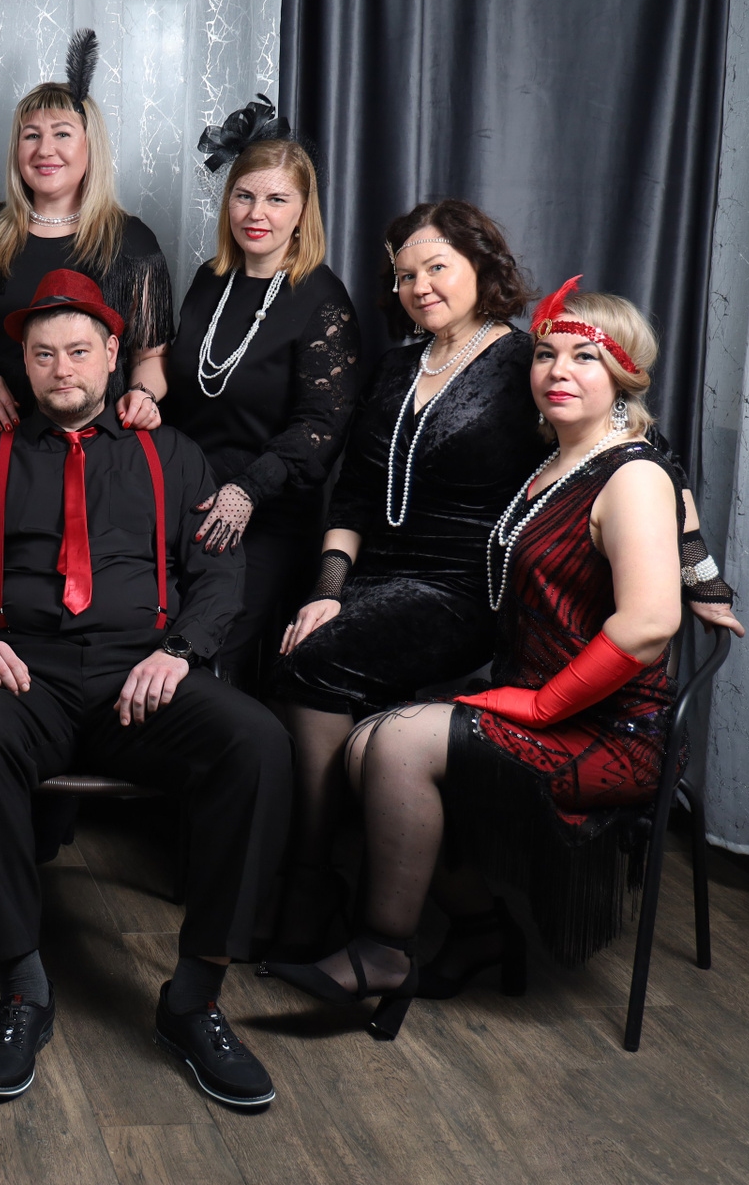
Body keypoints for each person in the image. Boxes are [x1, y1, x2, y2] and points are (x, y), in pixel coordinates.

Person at [0, 269, 290, 1108]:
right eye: (43, 354)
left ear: (114, 354)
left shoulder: (172, 453)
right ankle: (22, 989)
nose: (62, 369)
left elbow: (219, 574)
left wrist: (181, 652)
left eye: (79, 351)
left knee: (258, 742)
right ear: (23, 363)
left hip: (141, 673)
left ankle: (194, 998)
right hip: (22, 671)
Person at [267, 281, 683, 1037]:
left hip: (606, 729)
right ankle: (481, 930)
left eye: (585, 358)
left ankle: (383, 952)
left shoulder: (634, 475)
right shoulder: (556, 462)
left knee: (395, 743)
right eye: (546, 354)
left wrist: (546, 703)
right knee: (363, 747)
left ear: (625, 376)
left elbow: (651, 623)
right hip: (537, 699)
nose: (558, 371)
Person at [268, 200, 544, 961]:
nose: (420, 287)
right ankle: (477, 923)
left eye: (437, 268)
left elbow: (634, 446)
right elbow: (354, 496)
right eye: (404, 276)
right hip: (375, 580)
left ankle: (311, 877)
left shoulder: (527, 361)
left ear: (482, 266)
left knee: (312, 663)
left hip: (464, 590)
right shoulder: (396, 367)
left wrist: (697, 568)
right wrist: (327, 591)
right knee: (294, 642)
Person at [158, 99, 361, 687]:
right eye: (244, 196)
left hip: (263, 512)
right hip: (185, 498)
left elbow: (322, 426)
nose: (256, 214)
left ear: (302, 212)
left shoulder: (321, 298)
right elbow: (185, 387)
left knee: (204, 667)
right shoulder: (209, 280)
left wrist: (247, 491)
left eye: (277, 199)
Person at [0, 30, 173, 434]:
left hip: (95, 445)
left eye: (62, 134)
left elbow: (150, 357)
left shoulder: (133, 243)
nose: (44, 150)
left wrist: (143, 395)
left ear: (90, 145)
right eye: (31, 135)